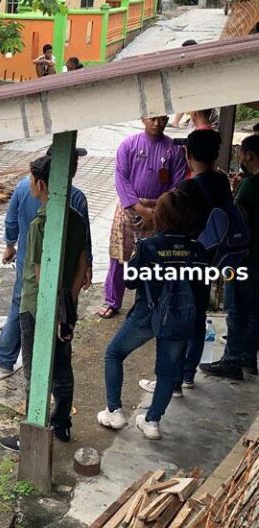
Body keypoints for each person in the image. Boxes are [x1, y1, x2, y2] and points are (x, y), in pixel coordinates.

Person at [97, 190, 207, 440]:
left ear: (161, 217)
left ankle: (114, 411)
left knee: (114, 353)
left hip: (146, 314)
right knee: (167, 372)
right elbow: (201, 291)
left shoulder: (149, 247)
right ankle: (152, 422)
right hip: (179, 318)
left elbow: (131, 282)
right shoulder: (198, 250)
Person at [0, 154, 89, 451]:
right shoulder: (75, 217)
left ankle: (32, 433)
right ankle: (61, 424)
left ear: (40, 184)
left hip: (38, 309)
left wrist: (52, 312)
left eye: (30, 179)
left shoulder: (40, 225)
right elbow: (82, 265)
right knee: (62, 369)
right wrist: (69, 303)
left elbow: (41, 276)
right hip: (65, 306)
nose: (28, 184)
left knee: (35, 372)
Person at [138, 129, 232, 396]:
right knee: (198, 314)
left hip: (182, 260)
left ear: (187, 154)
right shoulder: (221, 181)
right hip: (209, 258)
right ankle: (188, 374)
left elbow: (171, 221)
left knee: (176, 316)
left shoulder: (187, 188)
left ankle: (173, 381)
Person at [0, 146, 93, 374]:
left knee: (21, 305)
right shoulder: (75, 197)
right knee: (54, 312)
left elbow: (11, 221)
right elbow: (83, 237)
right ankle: (46, 361)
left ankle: (5, 357)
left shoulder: (22, 186)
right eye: (72, 163)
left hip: (27, 263)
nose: (75, 167)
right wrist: (87, 264)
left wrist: (9, 245)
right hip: (58, 268)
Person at [97, 116, 188, 319]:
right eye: (152, 119)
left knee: (157, 258)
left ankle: (154, 300)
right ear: (142, 119)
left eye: (161, 119)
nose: (156, 123)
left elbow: (178, 183)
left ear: (167, 119)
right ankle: (112, 300)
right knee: (119, 256)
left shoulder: (174, 149)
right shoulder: (128, 145)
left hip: (160, 210)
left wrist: (157, 211)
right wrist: (139, 208)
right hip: (130, 207)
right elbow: (121, 178)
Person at [200, 135, 259, 380]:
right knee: (255, 310)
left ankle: (232, 360)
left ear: (250, 156)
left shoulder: (250, 186)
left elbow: (237, 218)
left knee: (237, 310)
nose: (239, 158)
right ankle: (248, 358)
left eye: (241, 154)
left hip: (244, 258)